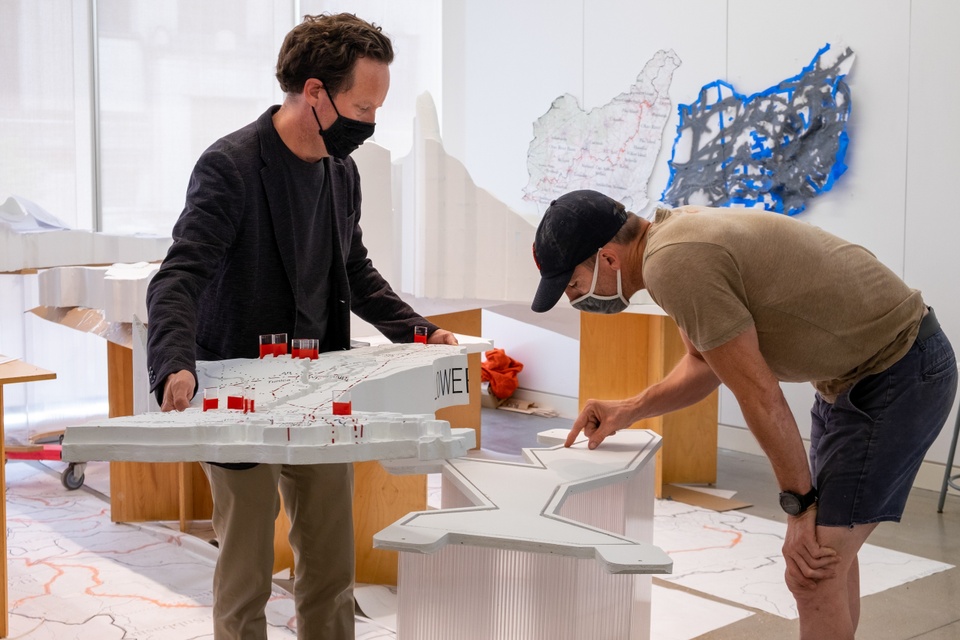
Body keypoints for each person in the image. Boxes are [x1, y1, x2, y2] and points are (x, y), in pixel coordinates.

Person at [145, 13, 457, 640]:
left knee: (330, 574)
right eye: (361, 107)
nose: (369, 124)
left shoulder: (340, 173)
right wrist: (173, 363)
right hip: (242, 398)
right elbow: (178, 277)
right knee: (246, 581)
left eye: (376, 109)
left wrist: (418, 331)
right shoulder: (231, 166)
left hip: (321, 396)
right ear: (314, 92)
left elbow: (354, 268)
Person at [529, 189, 957, 640]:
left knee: (811, 569)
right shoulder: (671, 238)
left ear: (609, 259)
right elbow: (704, 363)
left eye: (574, 284)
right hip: (851, 377)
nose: (575, 298)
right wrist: (630, 409)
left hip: (897, 371)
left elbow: (759, 394)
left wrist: (799, 508)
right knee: (828, 564)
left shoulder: (674, 263)